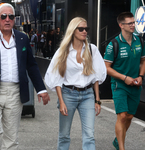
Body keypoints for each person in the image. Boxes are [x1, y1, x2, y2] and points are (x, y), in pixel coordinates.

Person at [0, 3, 50, 150]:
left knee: (11, 137)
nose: (7, 19)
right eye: (4, 16)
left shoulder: (22, 38)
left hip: (15, 93)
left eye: (11, 16)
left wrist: (41, 89)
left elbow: (31, 65)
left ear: (14, 19)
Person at [45, 17, 106, 150]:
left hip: (88, 95)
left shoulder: (92, 49)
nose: (85, 31)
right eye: (81, 29)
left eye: (86, 29)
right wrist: (61, 102)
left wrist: (98, 100)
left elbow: (96, 76)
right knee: (64, 135)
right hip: (68, 95)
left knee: (89, 135)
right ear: (73, 31)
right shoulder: (63, 51)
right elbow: (56, 78)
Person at [104, 12, 145, 150]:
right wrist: (124, 78)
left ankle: (117, 140)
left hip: (135, 85)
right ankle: (121, 148)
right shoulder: (113, 44)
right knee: (122, 116)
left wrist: (140, 76)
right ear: (121, 25)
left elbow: (144, 60)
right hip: (119, 85)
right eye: (130, 23)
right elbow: (106, 68)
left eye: (134, 22)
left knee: (129, 117)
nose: (133, 25)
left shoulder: (139, 40)